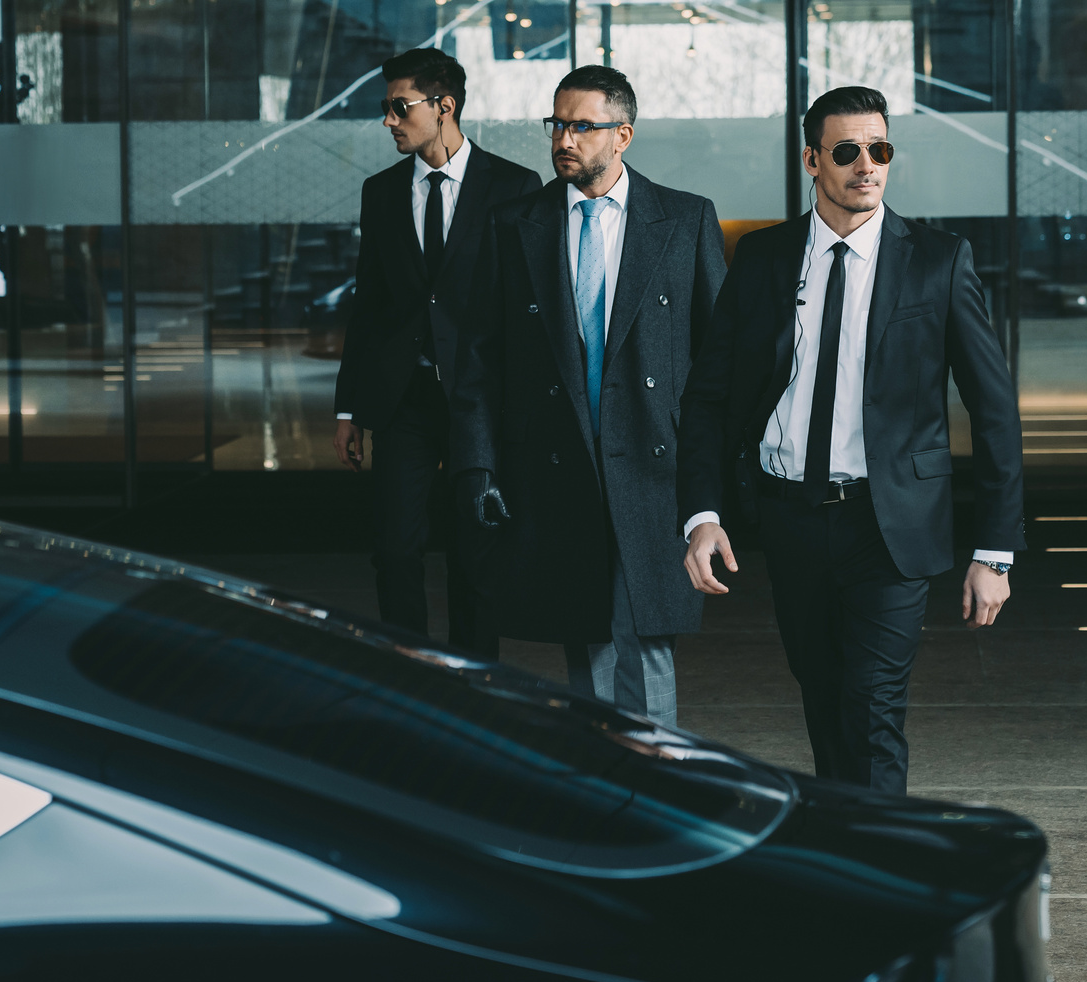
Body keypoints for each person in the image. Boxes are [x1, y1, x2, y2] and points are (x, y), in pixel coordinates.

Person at [677, 86, 1025, 793]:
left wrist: (995, 550)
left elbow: (993, 410)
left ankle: (879, 879)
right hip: (791, 518)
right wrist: (703, 515)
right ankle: (847, 852)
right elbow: (710, 396)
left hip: (889, 523)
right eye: (847, 152)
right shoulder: (764, 258)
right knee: (825, 701)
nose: (867, 166)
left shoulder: (937, 259)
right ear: (812, 160)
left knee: (871, 711)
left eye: (880, 150)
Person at [450, 65, 725, 726]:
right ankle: (608, 792)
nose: (563, 140)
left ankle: (661, 789)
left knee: (649, 647)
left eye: (581, 126)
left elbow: (720, 362)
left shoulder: (685, 220)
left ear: (622, 135)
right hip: (556, 465)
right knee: (588, 645)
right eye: (557, 124)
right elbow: (479, 358)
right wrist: (479, 466)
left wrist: (715, 487)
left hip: (655, 469)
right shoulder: (515, 223)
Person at [333, 47, 539, 655]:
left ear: (444, 106)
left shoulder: (514, 188)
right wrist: (349, 409)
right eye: (386, 109)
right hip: (405, 398)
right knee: (395, 547)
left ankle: (478, 679)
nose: (389, 120)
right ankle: (410, 675)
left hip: (481, 400)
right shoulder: (381, 192)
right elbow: (368, 306)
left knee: (476, 550)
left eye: (400, 107)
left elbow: (526, 309)